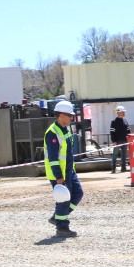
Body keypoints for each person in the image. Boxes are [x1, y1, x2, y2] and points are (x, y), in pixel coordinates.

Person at [44, 100, 84, 237]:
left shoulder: (65, 129)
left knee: (78, 194)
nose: (71, 118)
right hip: (59, 174)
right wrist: (59, 177)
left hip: (69, 171)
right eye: (69, 115)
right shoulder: (52, 133)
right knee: (63, 199)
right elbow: (53, 159)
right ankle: (62, 228)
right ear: (61, 115)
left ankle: (57, 217)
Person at [110, 105, 130, 174]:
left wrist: (129, 138)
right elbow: (112, 132)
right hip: (117, 141)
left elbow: (128, 131)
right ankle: (113, 168)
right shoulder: (114, 122)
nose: (124, 113)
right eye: (122, 112)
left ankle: (123, 167)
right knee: (115, 154)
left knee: (124, 154)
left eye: (124, 112)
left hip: (125, 140)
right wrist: (114, 141)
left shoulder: (125, 121)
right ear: (118, 112)